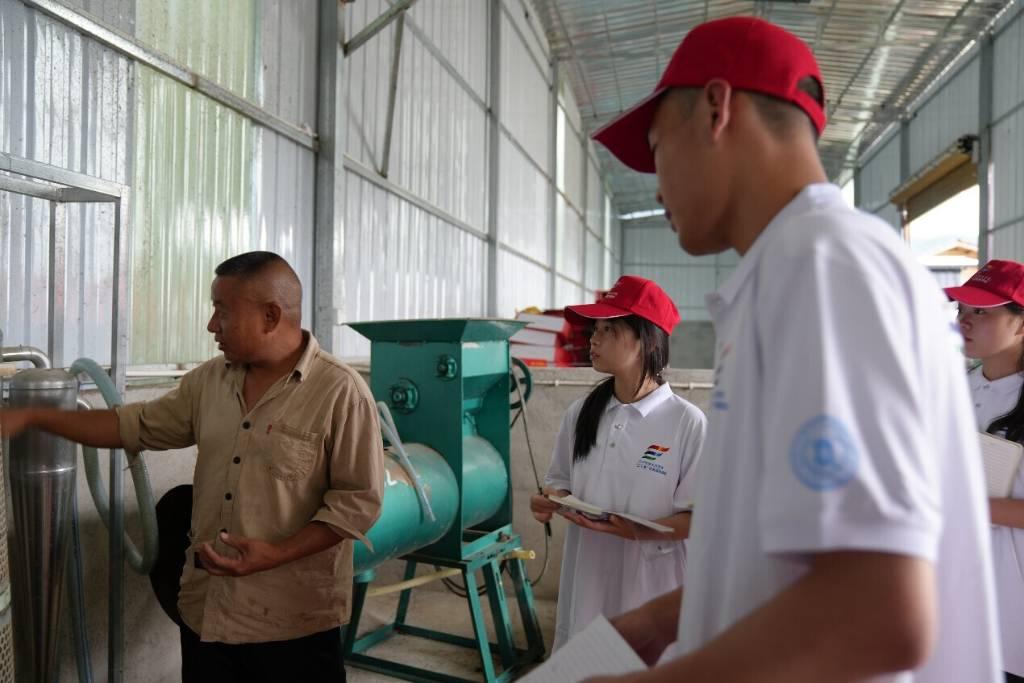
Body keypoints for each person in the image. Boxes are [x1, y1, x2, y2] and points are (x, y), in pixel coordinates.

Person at [581, 15, 1001, 682]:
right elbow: (794, 559)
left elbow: (879, 612)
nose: (656, 186)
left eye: (658, 147)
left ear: (717, 108)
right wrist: (659, 623)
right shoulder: (794, 272)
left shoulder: (824, 269)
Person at [0, 251, 385, 683]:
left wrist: (276, 554)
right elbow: (132, 426)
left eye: (222, 311)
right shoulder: (209, 382)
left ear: (271, 315)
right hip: (207, 614)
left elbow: (356, 505)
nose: (211, 325)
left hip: (293, 625)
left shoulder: (339, 393)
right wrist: (34, 417)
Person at [529, 275, 706, 651]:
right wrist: (550, 500)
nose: (593, 338)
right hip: (588, 582)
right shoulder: (581, 414)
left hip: (651, 589)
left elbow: (699, 518)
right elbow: (558, 482)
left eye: (608, 329)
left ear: (645, 339)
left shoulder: (685, 422)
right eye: (595, 328)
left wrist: (636, 531)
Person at [946, 259, 1024, 683]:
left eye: (982, 312)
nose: (965, 321)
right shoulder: (955, 390)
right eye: (962, 310)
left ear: (1021, 324)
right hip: (956, 597)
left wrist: (966, 503)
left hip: (1014, 608)